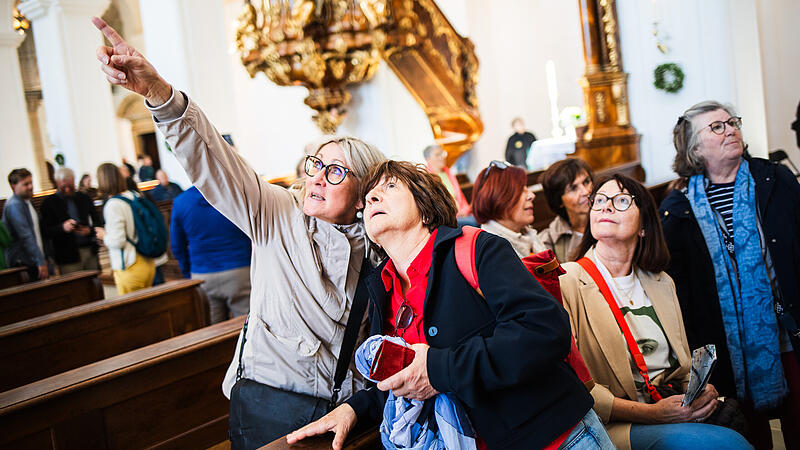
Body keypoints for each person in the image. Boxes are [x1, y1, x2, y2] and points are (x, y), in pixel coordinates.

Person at [92, 16, 387, 448]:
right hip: (272, 402)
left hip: (342, 410)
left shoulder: (380, 246)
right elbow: (214, 160)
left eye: (336, 170)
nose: (318, 178)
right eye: (316, 165)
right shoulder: (278, 213)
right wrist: (159, 95)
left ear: (363, 194)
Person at [288, 161, 610, 450]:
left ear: (425, 208)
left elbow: (544, 331)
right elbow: (403, 377)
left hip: (557, 439)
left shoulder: (477, 250)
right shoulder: (382, 289)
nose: (373, 197)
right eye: (370, 194)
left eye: (389, 187)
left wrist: (438, 369)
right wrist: (355, 408)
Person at [559, 174, 752, 450]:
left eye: (621, 200)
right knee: (730, 444)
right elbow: (576, 387)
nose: (606, 206)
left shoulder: (660, 281)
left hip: (667, 406)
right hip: (613, 425)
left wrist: (700, 390)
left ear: (644, 226)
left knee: (735, 421)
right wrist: (654, 414)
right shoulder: (567, 281)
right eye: (599, 200)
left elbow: (681, 368)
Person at [660, 101, 800, 449]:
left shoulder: (774, 179)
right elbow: (680, 290)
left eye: (732, 122)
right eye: (717, 127)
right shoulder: (678, 209)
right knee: (748, 437)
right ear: (694, 148)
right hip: (726, 347)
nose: (731, 130)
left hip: (786, 332)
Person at [171, 186, 252, 323]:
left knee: (215, 330)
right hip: (238, 269)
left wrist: (189, 272)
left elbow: (177, 245)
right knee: (246, 326)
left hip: (203, 275)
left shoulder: (181, 201)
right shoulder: (234, 194)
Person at [97, 162, 155, 294]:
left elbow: (118, 241)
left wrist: (103, 235)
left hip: (130, 266)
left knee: (132, 313)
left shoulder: (113, 204)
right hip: (146, 261)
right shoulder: (133, 195)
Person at [471, 160, 547, 257]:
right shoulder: (493, 250)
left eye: (527, 189)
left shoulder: (527, 233)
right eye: (521, 191)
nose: (531, 195)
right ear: (498, 198)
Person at [40, 167, 103, 274]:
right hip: (67, 255)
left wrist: (89, 230)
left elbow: (98, 222)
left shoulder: (84, 198)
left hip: (89, 250)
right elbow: (45, 231)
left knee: (96, 283)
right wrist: (62, 227)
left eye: (70, 186)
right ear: (57, 183)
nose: (68, 190)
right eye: (63, 187)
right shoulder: (49, 203)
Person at [540, 158, 594, 262]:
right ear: (559, 201)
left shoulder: (612, 217)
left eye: (586, 182)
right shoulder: (548, 240)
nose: (586, 191)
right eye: (573, 188)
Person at [2, 168, 49, 280]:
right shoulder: (14, 205)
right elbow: (25, 235)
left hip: (34, 260)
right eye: (25, 184)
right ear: (13, 186)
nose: (30, 187)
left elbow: (37, 232)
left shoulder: (27, 201)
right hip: (23, 263)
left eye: (31, 183)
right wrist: (40, 261)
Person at [423, 144, 470, 218]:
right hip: (447, 218)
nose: (442, 157)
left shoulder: (448, 172)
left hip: (461, 214)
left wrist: (465, 210)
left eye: (442, 153)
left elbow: (460, 196)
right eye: (437, 155)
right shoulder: (426, 178)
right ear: (427, 159)